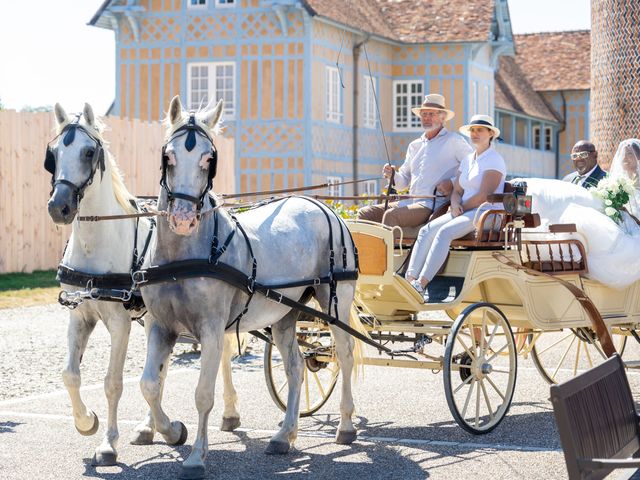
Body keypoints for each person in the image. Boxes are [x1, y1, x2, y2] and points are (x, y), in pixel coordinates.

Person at [405, 115, 506, 294]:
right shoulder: (468, 160)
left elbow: (485, 195)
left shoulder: (494, 160)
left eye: (480, 130)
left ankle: (421, 284)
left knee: (444, 232)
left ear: (490, 134)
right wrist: (454, 203)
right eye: (472, 130)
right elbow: (457, 190)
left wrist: (461, 207)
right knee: (426, 231)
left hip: (486, 214)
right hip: (465, 211)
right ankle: (409, 281)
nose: (475, 133)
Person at [357, 93, 472, 227]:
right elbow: (403, 183)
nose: (426, 118)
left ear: (442, 117)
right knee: (365, 213)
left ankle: (389, 248)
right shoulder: (414, 145)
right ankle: (366, 249)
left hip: (432, 205)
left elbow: (472, 166)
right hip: (409, 202)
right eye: (424, 114)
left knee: (391, 216)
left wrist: (452, 183)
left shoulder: (454, 140)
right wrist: (392, 175)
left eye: (431, 114)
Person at [609, 138, 640, 217]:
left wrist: (629, 216)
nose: (624, 157)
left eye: (629, 154)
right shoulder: (617, 181)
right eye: (622, 154)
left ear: (638, 157)